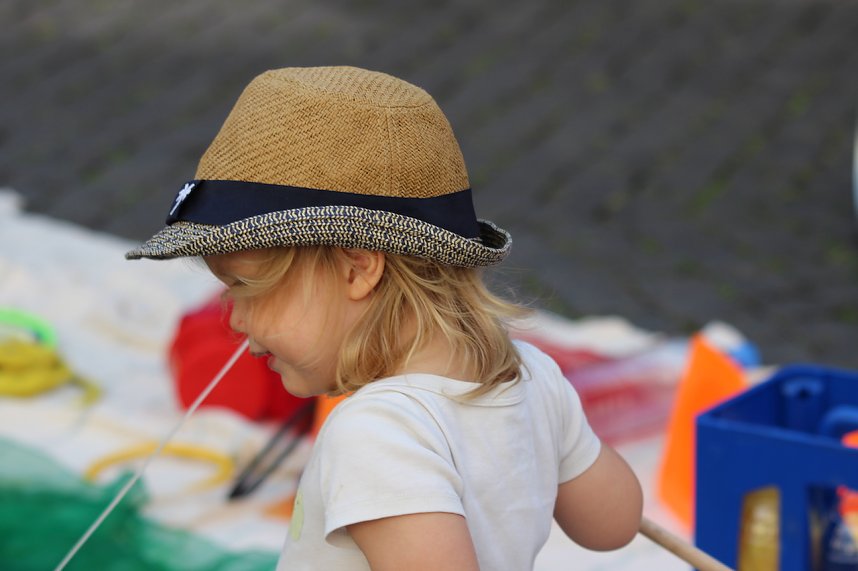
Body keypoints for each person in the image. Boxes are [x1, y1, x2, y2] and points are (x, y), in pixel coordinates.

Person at [126, 66, 643, 570]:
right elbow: (613, 524)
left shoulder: (375, 434)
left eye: (243, 285)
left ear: (356, 268)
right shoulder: (531, 373)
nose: (233, 320)